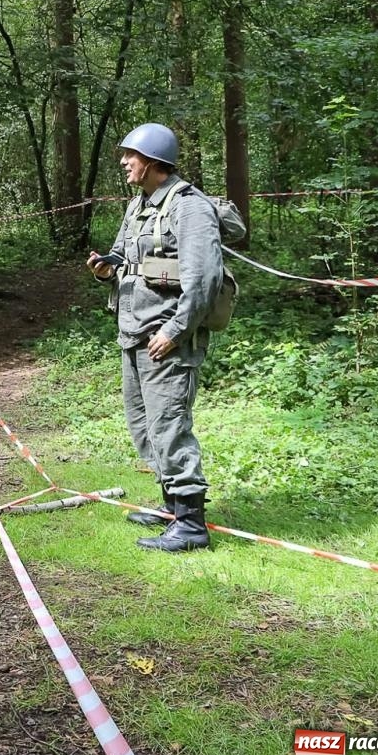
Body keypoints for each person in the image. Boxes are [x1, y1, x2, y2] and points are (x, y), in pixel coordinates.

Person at [86, 123, 224, 552]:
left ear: (153, 161)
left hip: (166, 339)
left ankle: (191, 525)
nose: (124, 162)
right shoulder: (139, 205)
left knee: (169, 427)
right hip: (134, 334)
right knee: (145, 427)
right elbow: (124, 256)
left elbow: (204, 281)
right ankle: (170, 507)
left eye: (131, 155)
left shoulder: (190, 208)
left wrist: (175, 331)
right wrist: (106, 268)